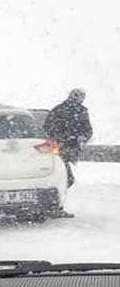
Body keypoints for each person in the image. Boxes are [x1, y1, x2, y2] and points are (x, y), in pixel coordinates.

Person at [43, 88, 93, 218]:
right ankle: (54, 207)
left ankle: (53, 206)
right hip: (61, 149)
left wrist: (77, 137)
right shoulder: (76, 111)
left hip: (62, 148)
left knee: (65, 178)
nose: (79, 99)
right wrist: (74, 137)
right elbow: (88, 131)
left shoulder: (60, 110)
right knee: (67, 179)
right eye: (78, 96)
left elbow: (47, 128)